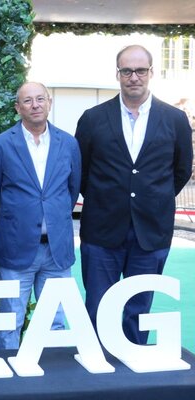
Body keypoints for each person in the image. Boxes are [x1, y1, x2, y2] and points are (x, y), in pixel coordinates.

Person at [76, 45, 193, 345]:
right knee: (97, 305)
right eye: (127, 71)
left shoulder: (175, 119)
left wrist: (152, 199)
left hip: (151, 232)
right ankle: (96, 364)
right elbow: (81, 171)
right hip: (102, 231)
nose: (134, 77)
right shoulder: (92, 118)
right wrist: (106, 199)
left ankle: (134, 365)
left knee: (139, 310)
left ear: (151, 72)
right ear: (117, 74)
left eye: (140, 70)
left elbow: (181, 170)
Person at [0, 82, 81, 349]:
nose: (35, 105)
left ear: (49, 103)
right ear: (18, 108)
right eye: (27, 101)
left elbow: (72, 189)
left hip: (56, 250)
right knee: (10, 322)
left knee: (55, 322)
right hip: (16, 249)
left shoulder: (68, 143)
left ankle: (52, 373)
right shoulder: (0, 145)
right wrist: (20, 219)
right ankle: (7, 374)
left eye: (40, 99)